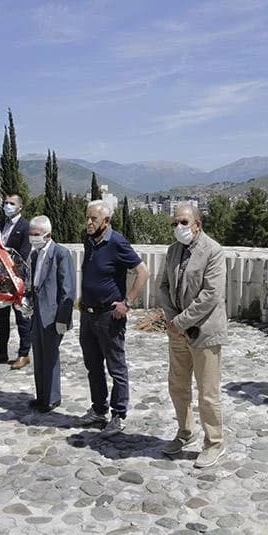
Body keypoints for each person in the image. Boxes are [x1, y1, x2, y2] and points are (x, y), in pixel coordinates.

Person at [157, 202, 227, 469]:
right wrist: (173, 319)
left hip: (205, 332)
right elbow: (163, 286)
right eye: (175, 223)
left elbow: (211, 295)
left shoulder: (213, 251)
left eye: (183, 222)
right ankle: (185, 432)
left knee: (207, 391)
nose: (178, 227)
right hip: (178, 332)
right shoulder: (173, 250)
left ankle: (215, 442)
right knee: (178, 385)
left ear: (197, 224)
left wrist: (181, 321)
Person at [79, 194, 150, 436]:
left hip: (109, 317)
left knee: (116, 367)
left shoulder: (117, 243)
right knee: (93, 366)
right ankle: (98, 409)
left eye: (93, 219)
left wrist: (126, 302)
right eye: (87, 218)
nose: (88, 223)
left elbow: (142, 272)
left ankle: (118, 415)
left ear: (106, 221)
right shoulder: (89, 241)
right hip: (87, 315)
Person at [22, 215, 75, 413]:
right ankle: (41, 396)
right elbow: (34, 282)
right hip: (37, 313)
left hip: (53, 316)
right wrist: (26, 299)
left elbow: (67, 289)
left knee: (51, 356)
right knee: (39, 354)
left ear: (48, 235)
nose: (32, 238)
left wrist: (63, 318)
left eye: (36, 234)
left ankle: (52, 398)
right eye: (31, 234)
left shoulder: (60, 254)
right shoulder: (35, 255)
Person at [0, 194, 32, 368]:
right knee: (1, 317)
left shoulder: (26, 227)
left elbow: (24, 254)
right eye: (5, 203)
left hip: (17, 279)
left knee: (22, 318)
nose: (7, 205)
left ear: (20, 207)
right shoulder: (1, 224)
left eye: (12, 203)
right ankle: (1, 351)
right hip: (0, 280)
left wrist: (13, 270)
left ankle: (24, 353)